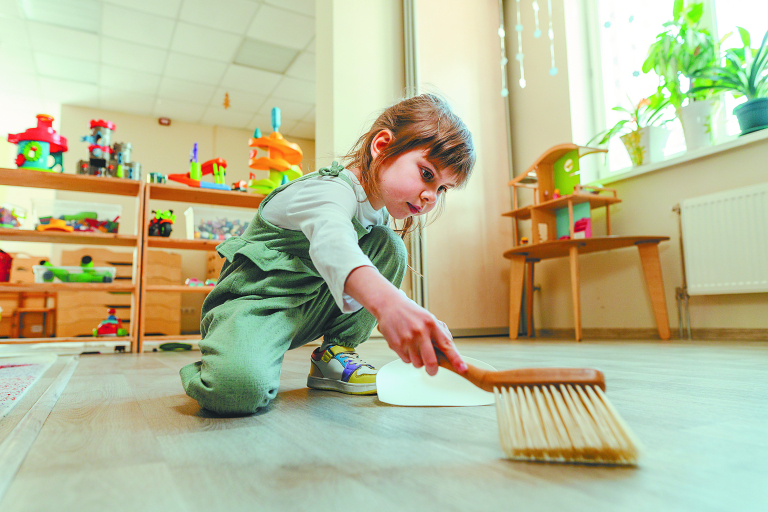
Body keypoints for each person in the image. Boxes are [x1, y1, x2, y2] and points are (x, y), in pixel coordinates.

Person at [180, 93, 476, 415]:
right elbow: (333, 245)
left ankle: (334, 353)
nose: (431, 196)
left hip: (307, 308)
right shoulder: (327, 190)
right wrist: (392, 304)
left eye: (442, 188)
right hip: (256, 305)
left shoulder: (376, 215)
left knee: (389, 245)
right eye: (427, 174)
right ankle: (226, 352)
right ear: (382, 145)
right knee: (236, 391)